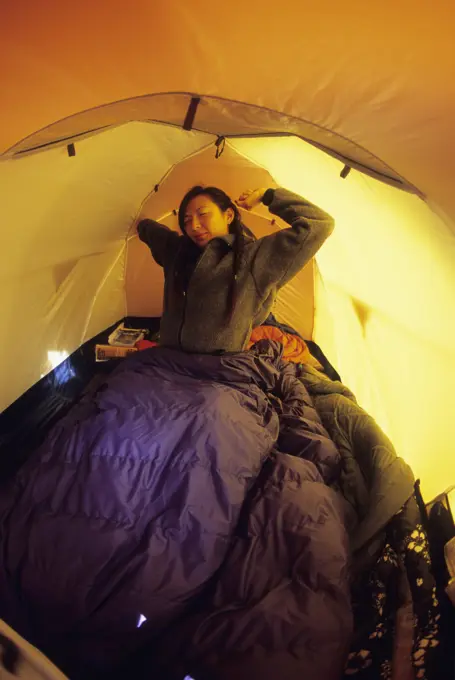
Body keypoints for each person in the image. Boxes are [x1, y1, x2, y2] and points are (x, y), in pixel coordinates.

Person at [137, 186, 334, 354]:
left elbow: (318, 225)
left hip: (221, 372)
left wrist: (267, 195)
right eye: (186, 220)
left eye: (203, 214)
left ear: (229, 215)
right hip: (168, 362)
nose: (194, 226)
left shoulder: (253, 258)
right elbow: (149, 230)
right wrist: (137, 219)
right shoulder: (177, 251)